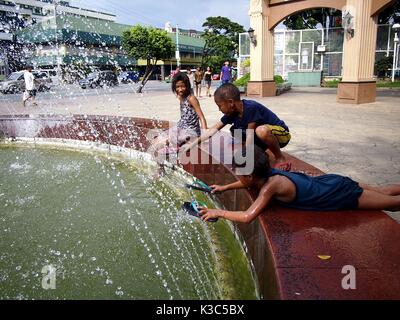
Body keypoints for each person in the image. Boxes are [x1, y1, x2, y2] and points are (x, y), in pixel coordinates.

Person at [198, 146, 400, 223]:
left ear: (250, 175)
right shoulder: (266, 175)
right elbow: (246, 183)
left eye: (239, 173)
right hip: (332, 182)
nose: (238, 176)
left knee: (391, 203)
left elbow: (247, 216)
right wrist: (224, 188)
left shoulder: (269, 187)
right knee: (384, 191)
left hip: (338, 193)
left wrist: (219, 213)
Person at [182, 83, 291, 171]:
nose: (219, 109)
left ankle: (280, 158)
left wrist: (245, 160)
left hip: (281, 135)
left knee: (260, 131)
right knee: (235, 131)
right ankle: (260, 154)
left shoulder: (251, 108)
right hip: (261, 138)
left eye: (220, 106)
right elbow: (212, 130)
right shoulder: (232, 114)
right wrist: (193, 143)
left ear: (230, 103)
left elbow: (249, 136)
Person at [151, 72, 207, 156]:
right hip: (180, 127)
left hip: (190, 131)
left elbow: (201, 117)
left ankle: (175, 146)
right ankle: (172, 146)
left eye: (183, 86)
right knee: (156, 140)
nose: (180, 89)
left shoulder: (191, 98)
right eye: (177, 87)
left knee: (163, 143)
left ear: (187, 86)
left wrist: (204, 135)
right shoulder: (181, 96)